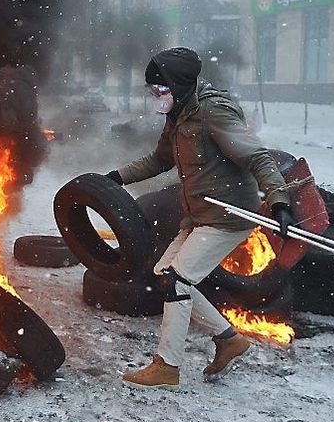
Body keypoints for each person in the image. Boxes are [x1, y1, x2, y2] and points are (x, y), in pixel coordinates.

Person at [106, 47, 295, 390]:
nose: (155, 97)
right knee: (165, 275)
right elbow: (160, 159)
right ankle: (229, 340)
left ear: (178, 86)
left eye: (160, 90)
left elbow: (256, 157)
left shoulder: (214, 112)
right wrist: (117, 177)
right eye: (152, 91)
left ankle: (167, 367)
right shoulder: (178, 114)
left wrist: (280, 200)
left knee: (178, 280)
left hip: (228, 217)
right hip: (199, 216)